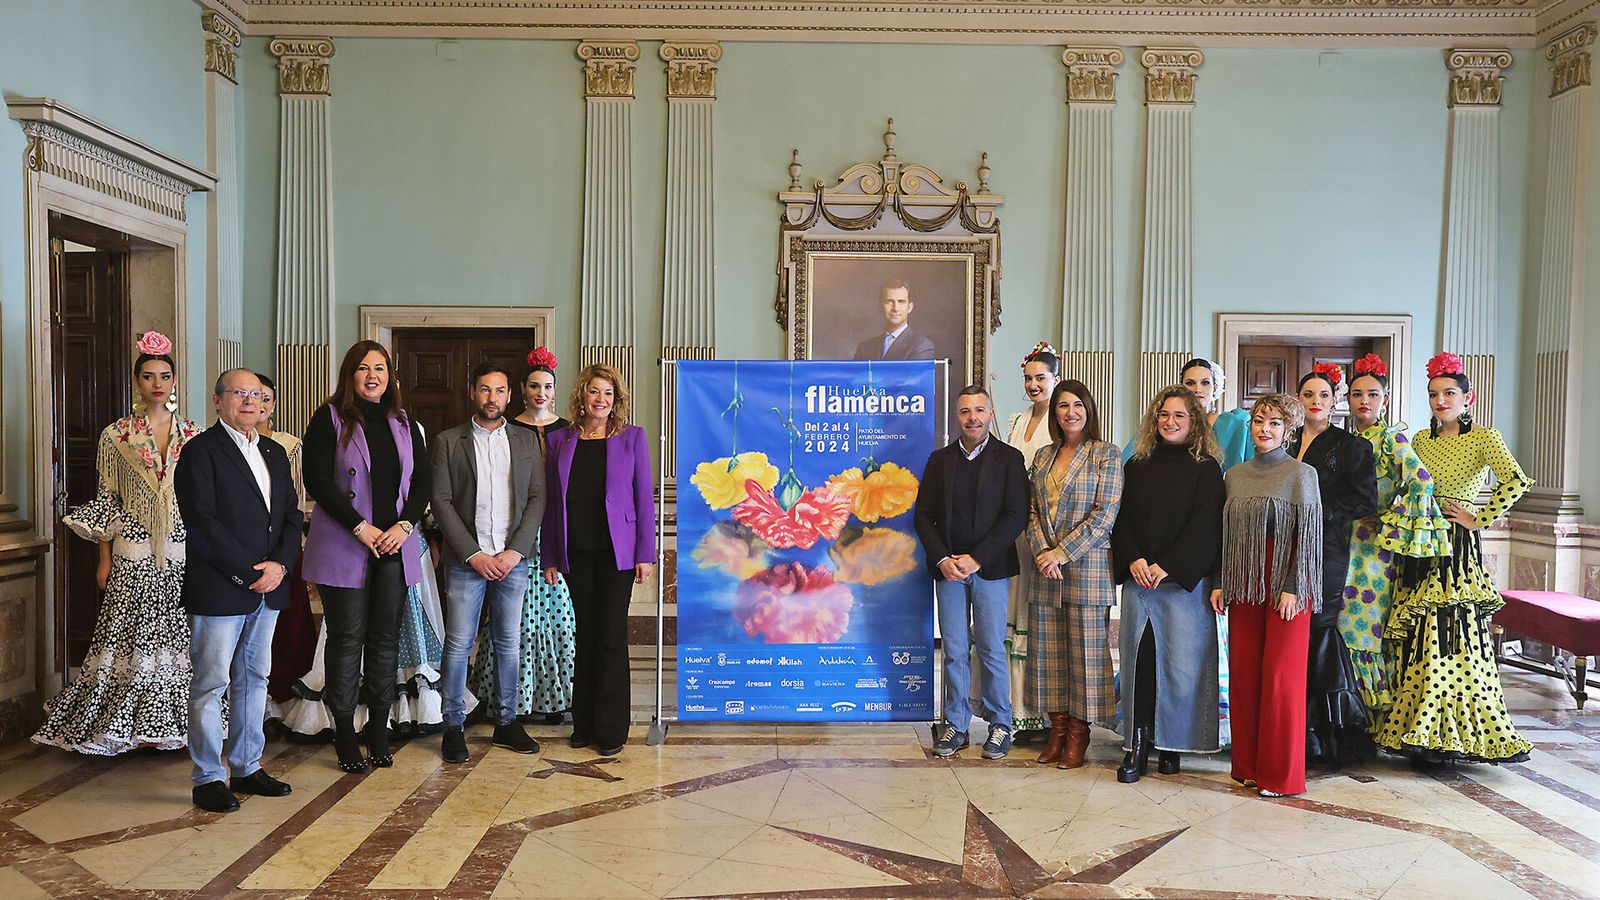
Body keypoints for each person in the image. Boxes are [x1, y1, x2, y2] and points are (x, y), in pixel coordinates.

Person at [33, 332, 199, 755]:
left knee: (179, 632)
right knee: (128, 632)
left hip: (182, 548)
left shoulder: (194, 434)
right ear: (136, 381)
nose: (157, 384)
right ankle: (125, 724)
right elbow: (108, 499)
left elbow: (203, 500)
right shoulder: (116, 435)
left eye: (165, 376)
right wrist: (103, 558)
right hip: (132, 546)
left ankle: (175, 725)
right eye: (149, 376)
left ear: (175, 380)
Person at [1376, 352, 1534, 765]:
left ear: (1468, 397)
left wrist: (1478, 518)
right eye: (1433, 394)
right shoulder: (1420, 441)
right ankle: (1417, 728)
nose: (1440, 401)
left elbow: (1516, 480)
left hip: (1456, 547)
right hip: (1420, 543)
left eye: (1449, 393)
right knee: (1418, 631)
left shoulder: (1484, 437)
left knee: (1449, 631)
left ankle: (1450, 735)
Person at [175, 369, 303, 812]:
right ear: (217, 400)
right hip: (220, 588)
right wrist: (248, 573)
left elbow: (291, 516)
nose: (249, 401)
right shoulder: (200, 452)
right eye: (238, 393)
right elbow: (202, 523)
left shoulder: (274, 451)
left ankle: (247, 766)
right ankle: (208, 777)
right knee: (211, 683)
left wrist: (280, 565)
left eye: (257, 394)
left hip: (270, 587)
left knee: (255, 679)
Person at [301, 340, 432, 773]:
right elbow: (317, 480)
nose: (372, 376)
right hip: (346, 542)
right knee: (346, 639)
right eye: (363, 368)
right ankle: (343, 733)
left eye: (380, 368)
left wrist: (405, 525)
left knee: (385, 641)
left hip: (393, 545)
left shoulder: (404, 422)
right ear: (350, 374)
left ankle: (379, 729)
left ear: (390, 376)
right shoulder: (329, 417)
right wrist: (361, 526)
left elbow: (422, 482)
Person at [1210, 393, 1322, 798]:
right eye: (1259, 420)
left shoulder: (1302, 473)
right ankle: (1248, 767)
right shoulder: (1234, 475)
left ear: (1288, 430)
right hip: (1245, 582)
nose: (1265, 428)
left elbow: (1307, 537)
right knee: (1245, 673)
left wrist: (1292, 585)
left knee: (1280, 679)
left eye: (1275, 422)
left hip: (1288, 584)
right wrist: (1221, 581)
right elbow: (1226, 536)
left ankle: (1280, 775)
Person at [433, 361, 546, 763]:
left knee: (508, 642)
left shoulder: (526, 440)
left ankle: (506, 721)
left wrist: (515, 551)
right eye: (485, 389)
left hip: (512, 560)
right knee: (459, 643)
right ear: (473, 392)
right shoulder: (449, 441)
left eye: (499, 391)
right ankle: (452, 725)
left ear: (509, 395)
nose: (492, 398)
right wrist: (473, 554)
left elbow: (537, 498)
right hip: (467, 561)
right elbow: (441, 502)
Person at [541, 364, 655, 757]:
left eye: (608, 393)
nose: (601, 400)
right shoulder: (560, 440)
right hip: (576, 551)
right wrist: (551, 555)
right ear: (582, 396)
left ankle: (611, 729)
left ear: (616, 399)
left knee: (610, 637)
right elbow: (551, 503)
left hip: (617, 555)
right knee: (585, 637)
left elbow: (644, 497)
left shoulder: (632, 437)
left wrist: (645, 553)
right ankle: (584, 724)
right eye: (594, 392)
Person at [1112, 386, 1224, 782]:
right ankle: (1139, 743)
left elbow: (1206, 526)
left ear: (1194, 421)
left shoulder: (1207, 469)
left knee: (1180, 670)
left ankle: (1173, 744)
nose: (1170, 422)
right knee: (1141, 666)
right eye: (1164, 415)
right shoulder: (1136, 465)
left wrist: (1168, 566)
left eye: (1179, 415)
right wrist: (1135, 559)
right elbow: (1121, 520)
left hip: (1182, 586)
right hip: (1141, 583)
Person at [913, 386, 1029, 759]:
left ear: (991, 413)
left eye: (979, 410)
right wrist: (942, 558)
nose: (972, 418)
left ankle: (1000, 726)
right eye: (965, 411)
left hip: (989, 569)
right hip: (948, 571)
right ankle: (957, 725)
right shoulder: (939, 460)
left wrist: (977, 558)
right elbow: (923, 516)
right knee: (954, 650)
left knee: (992, 648)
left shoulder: (1009, 459)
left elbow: (1016, 515)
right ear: (957, 416)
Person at [1340, 353, 1450, 731]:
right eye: (1357, 394)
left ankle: (1368, 723)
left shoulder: (1392, 438)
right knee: (1340, 626)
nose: (1364, 401)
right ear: (1348, 399)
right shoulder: (1346, 440)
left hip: (1373, 550)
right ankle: (1341, 717)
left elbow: (1422, 482)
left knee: (1362, 629)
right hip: (1341, 541)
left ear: (1384, 400)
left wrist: (1389, 519)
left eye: (1372, 394)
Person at [470, 347, 576, 725]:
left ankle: (554, 697)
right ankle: (509, 699)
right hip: (515, 534)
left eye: (547, 386)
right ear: (522, 390)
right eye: (534, 386)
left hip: (557, 530)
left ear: (555, 390)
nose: (540, 393)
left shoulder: (569, 430)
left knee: (558, 616)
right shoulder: (508, 428)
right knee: (511, 620)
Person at [1024, 380, 1122, 770]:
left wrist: (1061, 553)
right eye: (1063, 406)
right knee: (1049, 657)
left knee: (1086, 659)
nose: (1070, 412)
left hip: (1087, 570)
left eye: (1078, 404)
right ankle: (1058, 731)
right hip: (1046, 572)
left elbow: (1105, 515)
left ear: (1089, 409)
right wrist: (1043, 552)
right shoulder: (1044, 455)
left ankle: (1079, 735)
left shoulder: (1106, 454)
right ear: (1055, 413)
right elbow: (1031, 511)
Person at [1287, 365, 1379, 765]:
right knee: (1289, 631)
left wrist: (1319, 512)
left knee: (1318, 630)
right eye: (1308, 395)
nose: (1316, 402)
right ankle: (1288, 725)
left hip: (1327, 548)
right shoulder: (1284, 438)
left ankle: (1320, 733)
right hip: (1284, 546)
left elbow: (1365, 500)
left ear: (1334, 401)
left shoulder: (1351, 446)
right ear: (1299, 400)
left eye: (1323, 395)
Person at [1002, 342, 1061, 741]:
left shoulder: (1061, 420)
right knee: (1014, 610)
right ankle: (1014, 710)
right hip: (1015, 529)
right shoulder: (1016, 419)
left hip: (1046, 528)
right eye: (1028, 378)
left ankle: (1043, 714)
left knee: (1037, 617)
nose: (1034, 385)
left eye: (1041, 378)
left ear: (1056, 378)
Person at [852, 279, 936, 361]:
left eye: (901, 302)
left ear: (910, 307)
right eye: (889, 302)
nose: (895, 308)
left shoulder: (921, 346)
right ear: (880, 306)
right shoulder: (864, 348)